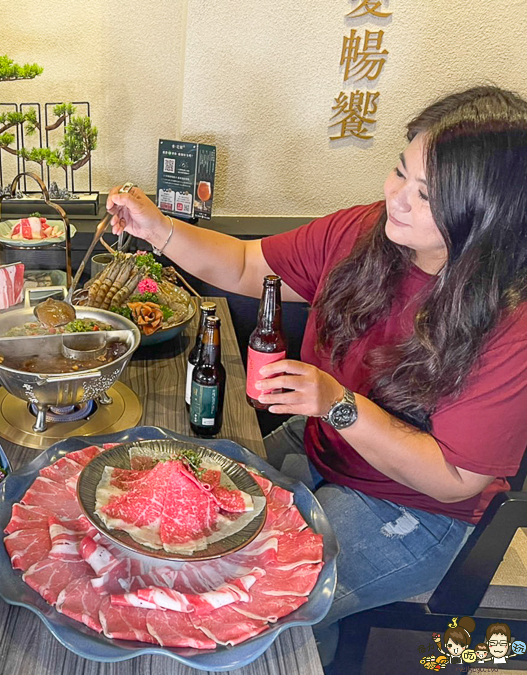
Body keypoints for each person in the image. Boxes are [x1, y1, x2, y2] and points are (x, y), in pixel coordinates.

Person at [106, 85, 527, 664]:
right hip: (324, 448)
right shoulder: (363, 234)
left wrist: (338, 404)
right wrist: (157, 228)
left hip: (415, 509)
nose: (398, 199)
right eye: (400, 172)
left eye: (427, 195)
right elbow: (248, 264)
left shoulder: (510, 320)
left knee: (250, 605)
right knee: (176, 506)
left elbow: (455, 478)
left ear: (484, 212)